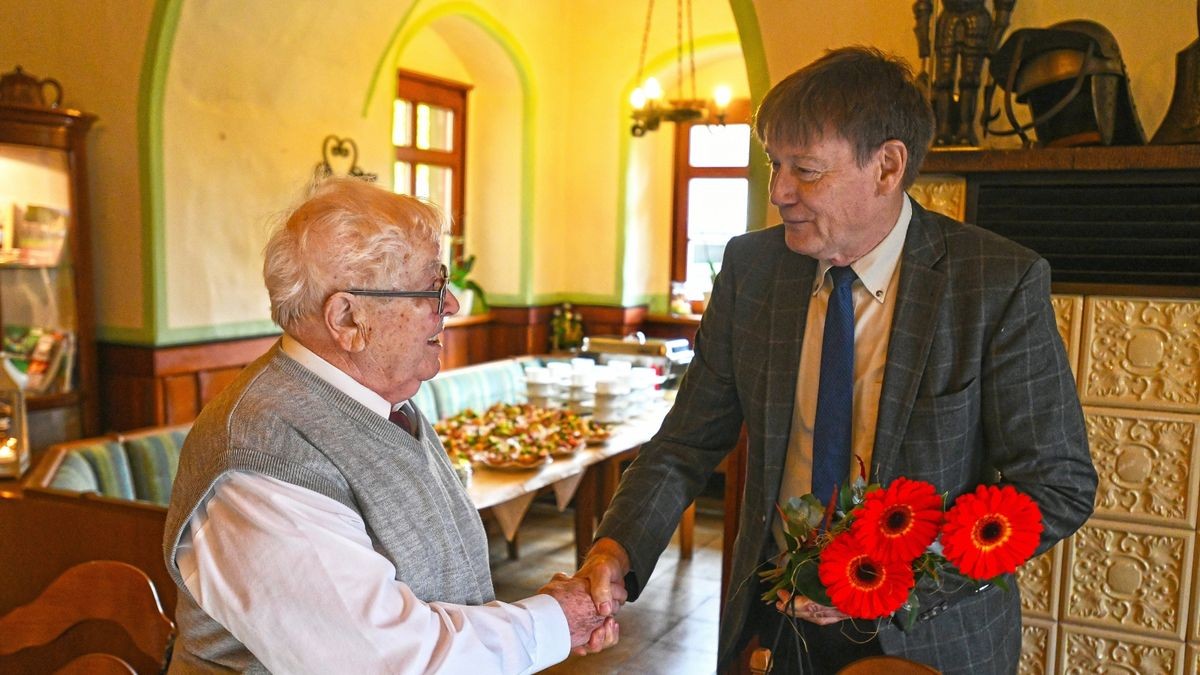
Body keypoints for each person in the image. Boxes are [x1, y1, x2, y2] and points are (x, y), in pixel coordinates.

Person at [577, 46, 1096, 674]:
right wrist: (613, 549)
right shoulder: (752, 270)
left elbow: (1056, 486)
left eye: (806, 169)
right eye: (774, 164)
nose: (778, 192)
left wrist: (893, 579)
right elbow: (685, 444)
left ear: (887, 166)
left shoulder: (995, 284)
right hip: (774, 626)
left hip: (929, 639)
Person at [162, 177, 615, 673]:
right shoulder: (261, 454)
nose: (451, 305)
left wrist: (539, 619)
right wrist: (551, 622)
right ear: (348, 318)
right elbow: (385, 661)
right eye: (431, 287)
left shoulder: (378, 401)